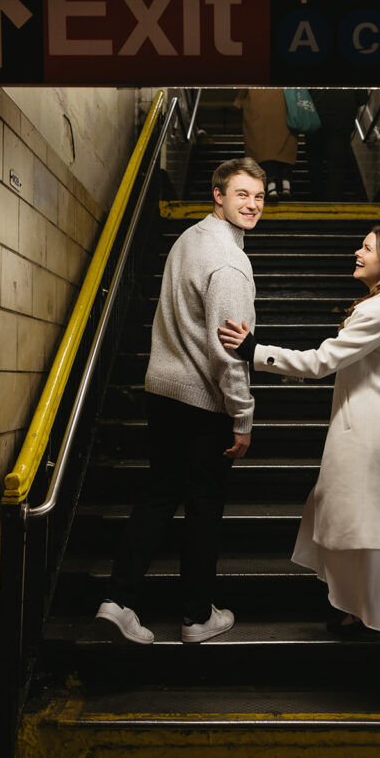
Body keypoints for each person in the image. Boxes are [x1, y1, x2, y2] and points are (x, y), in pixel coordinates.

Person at [219, 224, 380, 717]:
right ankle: (351, 609)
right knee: (334, 519)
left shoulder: (378, 310)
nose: (357, 251)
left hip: (375, 450)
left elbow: (322, 362)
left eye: (367, 248)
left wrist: (254, 351)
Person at [96, 157, 266, 645]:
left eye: (259, 196)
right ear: (218, 194)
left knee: (156, 495)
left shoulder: (189, 239)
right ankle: (195, 616)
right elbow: (228, 350)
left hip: (161, 391)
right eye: (242, 194)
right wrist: (243, 415)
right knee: (204, 506)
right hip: (201, 399)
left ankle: (119, 600)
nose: (252, 204)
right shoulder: (230, 263)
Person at [234, 88, 298, 203]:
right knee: (285, 143)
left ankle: (271, 187)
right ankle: (286, 185)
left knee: (263, 146)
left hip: (258, 102)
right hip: (284, 100)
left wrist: (239, 100)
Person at [306, 89, 367, 201]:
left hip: (315, 116)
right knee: (337, 162)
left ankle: (316, 196)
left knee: (315, 158)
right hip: (342, 119)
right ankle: (333, 199)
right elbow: (362, 98)